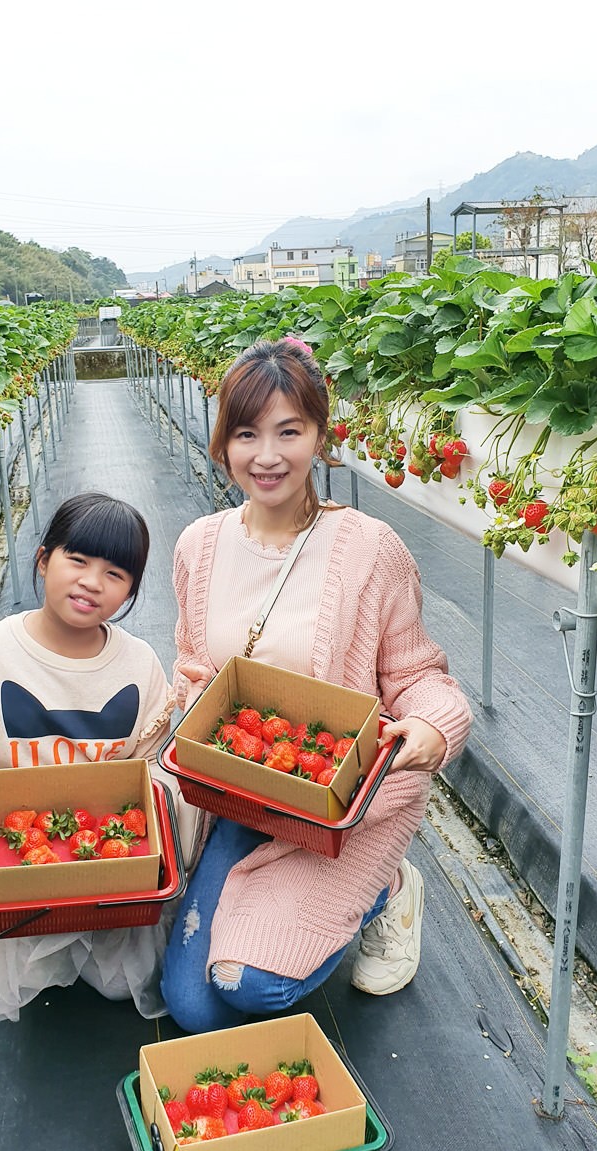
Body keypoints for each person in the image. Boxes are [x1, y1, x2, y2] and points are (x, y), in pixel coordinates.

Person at [160, 338, 473, 1033]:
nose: (266, 455)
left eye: (288, 431)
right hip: (243, 793)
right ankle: (277, 899)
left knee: (251, 987)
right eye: (246, 433)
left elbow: (421, 676)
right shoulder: (198, 546)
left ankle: (386, 888)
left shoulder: (368, 548)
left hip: (338, 808)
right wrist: (196, 700)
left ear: (320, 437)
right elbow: (191, 659)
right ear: (224, 441)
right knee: (191, 1006)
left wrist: (429, 728)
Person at [0, 492, 177, 1027]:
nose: (92, 581)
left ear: (132, 591)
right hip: (16, 865)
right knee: (21, 976)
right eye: (78, 560)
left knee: (121, 985)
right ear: (44, 559)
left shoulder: (138, 666)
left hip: (105, 871)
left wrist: (150, 805)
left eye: (115, 573)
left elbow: (151, 759)